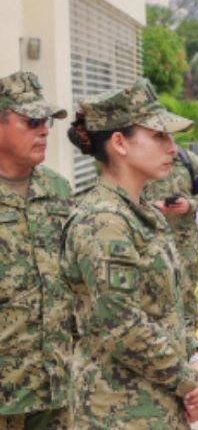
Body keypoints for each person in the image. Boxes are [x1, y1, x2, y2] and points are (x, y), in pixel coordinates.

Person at [61, 79, 198, 428]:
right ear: (119, 143)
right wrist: (190, 383)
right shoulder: (103, 220)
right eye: (159, 136)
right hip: (118, 413)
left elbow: (174, 308)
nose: (172, 148)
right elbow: (121, 324)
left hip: (161, 408)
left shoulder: (144, 214)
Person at [0, 72, 72, 429]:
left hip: (58, 386)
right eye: (31, 122)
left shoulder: (59, 190)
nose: (43, 130)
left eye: (46, 122)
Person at [142, 144, 198, 333]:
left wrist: (190, 204)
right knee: (153, 298)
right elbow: (125, 197)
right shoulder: (141, 160)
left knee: (186, 295)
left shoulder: (189, 160)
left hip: (185, 244)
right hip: (149, 240)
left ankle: (190, 348)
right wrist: (151, 207)